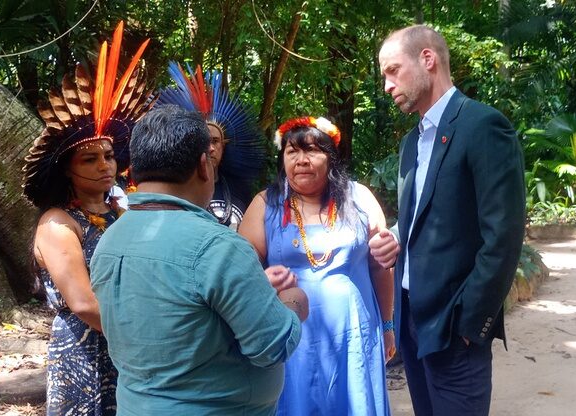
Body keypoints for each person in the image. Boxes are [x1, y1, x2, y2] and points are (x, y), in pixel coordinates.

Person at [90, 104, 308, 415]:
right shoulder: (218, 247)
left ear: (134, 170)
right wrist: (293, 302)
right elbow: (272, 346)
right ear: (204, 166)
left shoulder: (110, 239)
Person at [371, 25, 526, 415]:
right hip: (411, 323)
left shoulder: (483, 126)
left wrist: (471, 324)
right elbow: (423, 215)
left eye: (393, 71)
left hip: (455, 328)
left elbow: (503, 238)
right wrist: (395, 236)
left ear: (428, 59)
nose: (387, 85)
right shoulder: (411, 144)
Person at [21, 21, 154, 415]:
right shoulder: (58, 224)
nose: (103, 166)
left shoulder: (122, 209)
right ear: (67, 168)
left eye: (109, 156)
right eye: (89, 158)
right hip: (87, 348)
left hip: (129, 346)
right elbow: (82, 303)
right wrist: (150, 334)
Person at [239, 116, 395, 415]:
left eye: (311, 150)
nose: (301, 160)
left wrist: (387, 326)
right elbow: (241, 271)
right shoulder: (266, 204)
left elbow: (380, 267)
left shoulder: (358, 198)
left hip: (352, 335)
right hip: (291, 335)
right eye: (292, 152)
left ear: (331, 157)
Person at [156, 62, 265, 229]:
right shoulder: (176, 188)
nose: (210, 148)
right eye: (203, 141)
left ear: (224, 145)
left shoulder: (240, 188)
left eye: (215, 141)